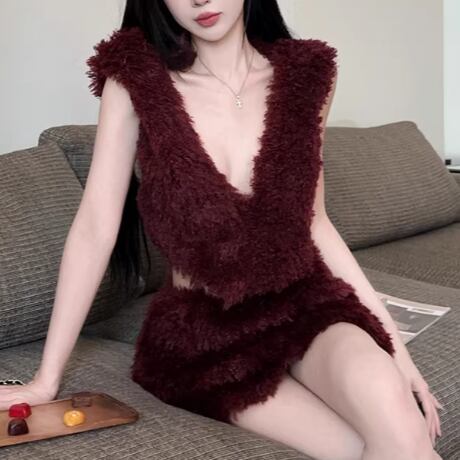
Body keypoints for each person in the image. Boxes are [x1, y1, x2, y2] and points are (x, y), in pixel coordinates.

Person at [0, 1, 444, 459]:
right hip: (205, 336)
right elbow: (95, 229)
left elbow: (315, 222)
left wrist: (398, 353)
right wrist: (45, 380)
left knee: (399, 416)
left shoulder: (308, 76)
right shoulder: (135, 81)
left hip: (303, 303)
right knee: (358, 450)